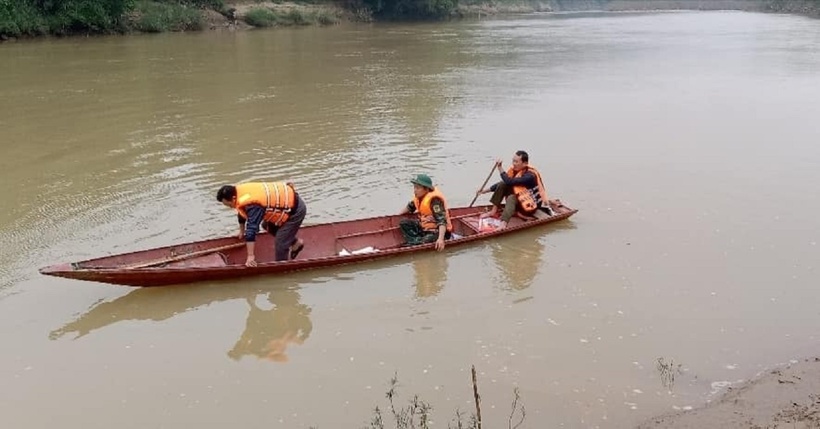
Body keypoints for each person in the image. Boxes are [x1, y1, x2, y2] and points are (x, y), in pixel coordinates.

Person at [216, 181, 306, 266]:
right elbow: (241, 212)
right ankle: (295, 243)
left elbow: (251, 229)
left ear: (233, 198)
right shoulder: (240, 194)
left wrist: (251, 256)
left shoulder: (252, 205)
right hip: (286, 206)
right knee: (266, 225)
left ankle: (282, 268)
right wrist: (241, 231)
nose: (230, 207)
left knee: (280, 243)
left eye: (229, 205)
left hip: (295, 211)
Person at [475, 150, 549, 229]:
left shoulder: (529, 176)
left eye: (516, 162)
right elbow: (504, 183)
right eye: (513, 161)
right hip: (521, 201)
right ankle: (493, 211)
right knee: (502, 184)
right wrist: (483, 191)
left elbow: (509, 181)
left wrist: (500, 168)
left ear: (525, 164)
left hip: (530, 206)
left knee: (511, 198)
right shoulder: (515, 171)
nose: (514, 164)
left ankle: (503, 223)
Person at [399, 174, 452, 251]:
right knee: (404, 223)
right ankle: (416, 241)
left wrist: (440, 239)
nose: (415, 190)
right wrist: (396, 216)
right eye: (414, 187)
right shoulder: (419, 197)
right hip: (424, 227)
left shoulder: (435, 201)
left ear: (426, 189)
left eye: (417, 188)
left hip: (437, 231)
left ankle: (418, 242)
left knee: (426, 240)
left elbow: (442, 221)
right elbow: (410, 207)